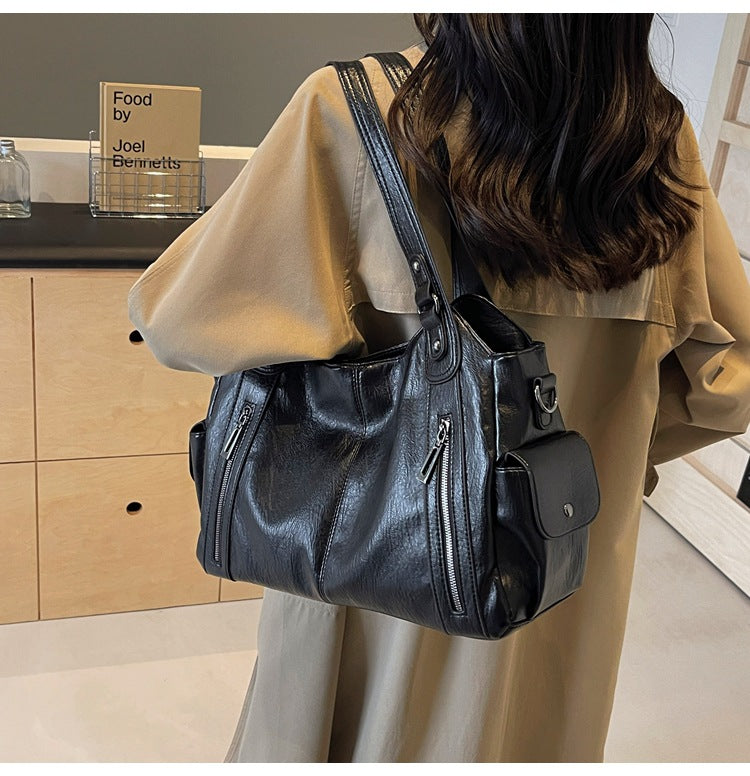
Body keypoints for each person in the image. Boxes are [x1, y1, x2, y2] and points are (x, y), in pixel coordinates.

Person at [127, 14, 750, 762]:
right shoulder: (657, 144)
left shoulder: (355, 112)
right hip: (553, 591)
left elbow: (176, 318)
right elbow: (729, 382)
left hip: (364, 580)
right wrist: (595, 460)